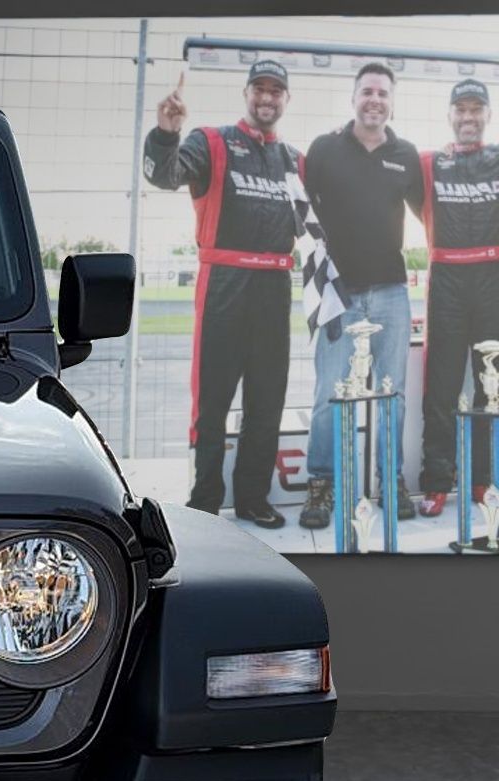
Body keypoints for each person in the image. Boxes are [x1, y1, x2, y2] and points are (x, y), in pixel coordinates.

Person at [142, 60, 299, 528]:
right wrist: (166, 133)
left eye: (276, 91)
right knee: (212, 400)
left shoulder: (294, 159)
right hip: (224, 283)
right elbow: (164, 175)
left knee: (267, 399)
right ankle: (206, 500)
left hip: (276, 286)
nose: (267, 98)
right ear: (246, 93)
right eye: (259, 89)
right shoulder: (210, 140)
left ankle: (253, 497)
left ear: (286, 100)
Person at [298, 63, 425, 530]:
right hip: (338, 293)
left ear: (391, 101)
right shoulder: (325, 148)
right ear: (354, 97)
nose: (375, 99)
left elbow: (433, 217)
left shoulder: (407, 155)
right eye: (367, 91)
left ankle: (389, 480)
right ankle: (322, 482)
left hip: (392, 291)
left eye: (383, 93)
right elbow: (299, 215)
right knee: (330, 394)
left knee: (391, 394)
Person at [416, 79, 499, 517]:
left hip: (493, 281)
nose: (469, 117)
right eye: (461, 110)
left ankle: (485, 481)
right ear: (450, 114)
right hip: (446, 278)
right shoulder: (430, 163)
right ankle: (436, 481)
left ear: (487, 114)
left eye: (476, 109)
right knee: (441, 389)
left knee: (493, 390)